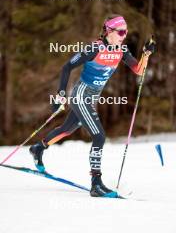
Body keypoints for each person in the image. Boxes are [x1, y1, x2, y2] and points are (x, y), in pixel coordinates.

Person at [29, 15, 155, 198]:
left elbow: (139, 70)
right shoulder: (94, 48)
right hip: (80, 95)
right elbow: (66, 67)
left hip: (90, 98)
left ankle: (38, 148)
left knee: (66, 129)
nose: (123, 35)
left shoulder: (122, 50)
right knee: (99, 136)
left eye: (125, 32)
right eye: (120, 31)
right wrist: (61, 94)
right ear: (109, 32)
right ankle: (96, 184)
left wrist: (146, 54)